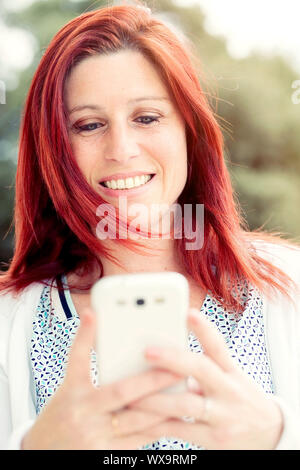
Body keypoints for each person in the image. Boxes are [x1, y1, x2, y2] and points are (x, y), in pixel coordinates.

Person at [0, 2, 300, 451]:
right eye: (88, 124)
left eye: (147, 117)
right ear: (55, 149)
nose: (121, 149)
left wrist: (277, 433)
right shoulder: (12, 320)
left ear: (189, 131)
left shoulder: (286, 281)